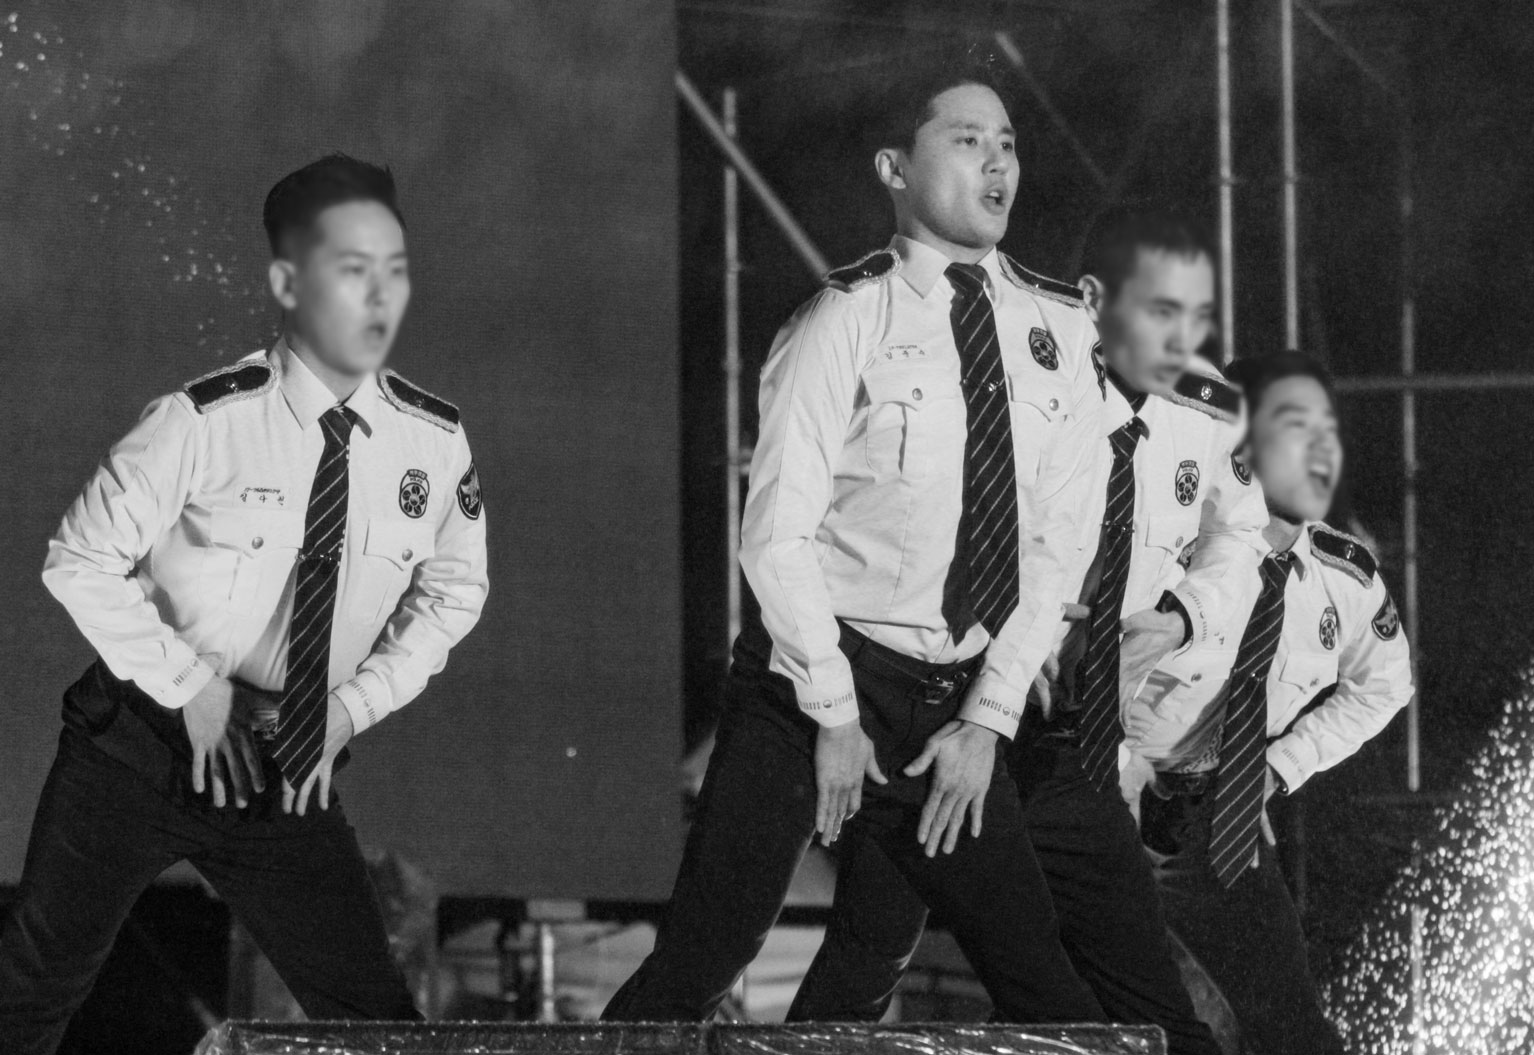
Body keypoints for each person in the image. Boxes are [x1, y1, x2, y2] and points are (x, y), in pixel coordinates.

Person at [600, 64, 1106, 1024]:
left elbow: (1058, 545)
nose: (997, 163)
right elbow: (775, 536)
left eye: (1007, 143)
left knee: (1003, 975)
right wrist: (832, 712)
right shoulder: (843, 318)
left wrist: (989, 721)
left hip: (952, 710)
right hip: (810, 684)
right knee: (705, 956)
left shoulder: (1062, 327)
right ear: (895, 169)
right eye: (966, 141)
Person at [0, 154, 489, 1054]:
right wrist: (190, 685)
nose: (379, 294)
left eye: (394, 268)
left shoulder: (433, 441)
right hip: (138, 744)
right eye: (351, 269)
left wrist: (351, 707)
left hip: (281, 763)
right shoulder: (202, 421)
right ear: (288, 284)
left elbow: (456, 592)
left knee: (380, 1025)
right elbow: (78, 559)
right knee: (28, 997)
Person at [788, 207, 1267, 1055]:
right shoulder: (1015, 381)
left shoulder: (1208, 409)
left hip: (1073, 747)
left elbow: (1244, 534)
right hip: (964, 723)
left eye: (1195, 314)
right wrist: (1010, 645)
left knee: (1155, 1008)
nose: (1181, 337)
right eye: (1159, 310)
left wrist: (1182, 616)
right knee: (870, 956)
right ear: (1093, 299)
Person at [1124, 351, 1414, 1055]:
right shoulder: (1171, 541)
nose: (1317, 451)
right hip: (1109, 795)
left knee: (1294, 1032)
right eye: (1292, 427)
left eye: (1326, 431)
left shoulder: (1346, 577)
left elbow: (1385, 686)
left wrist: (1277, 768)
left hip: (1216, 815)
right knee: (1099, 1018)